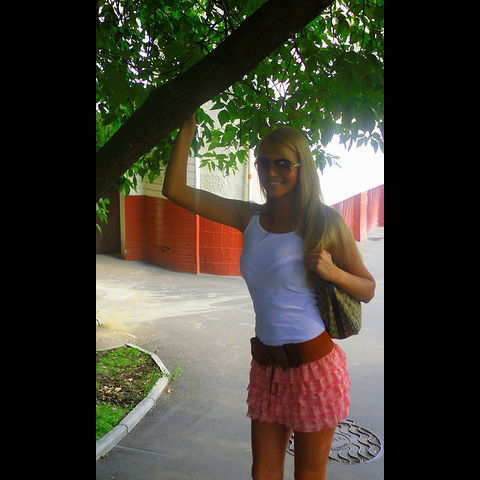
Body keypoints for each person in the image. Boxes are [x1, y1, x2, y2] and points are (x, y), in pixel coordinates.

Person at [162, 113, 376, 480]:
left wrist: (332, 271)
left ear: (301, 168)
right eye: (263, 163)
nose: (270, 172)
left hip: (314, 370)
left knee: (308, 474)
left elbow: (367, 288)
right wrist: (186, 127)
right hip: (266, 368)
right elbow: (175, 190)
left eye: (282, 164)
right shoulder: (249, 217)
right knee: (263, 473)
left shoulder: (324, 222)